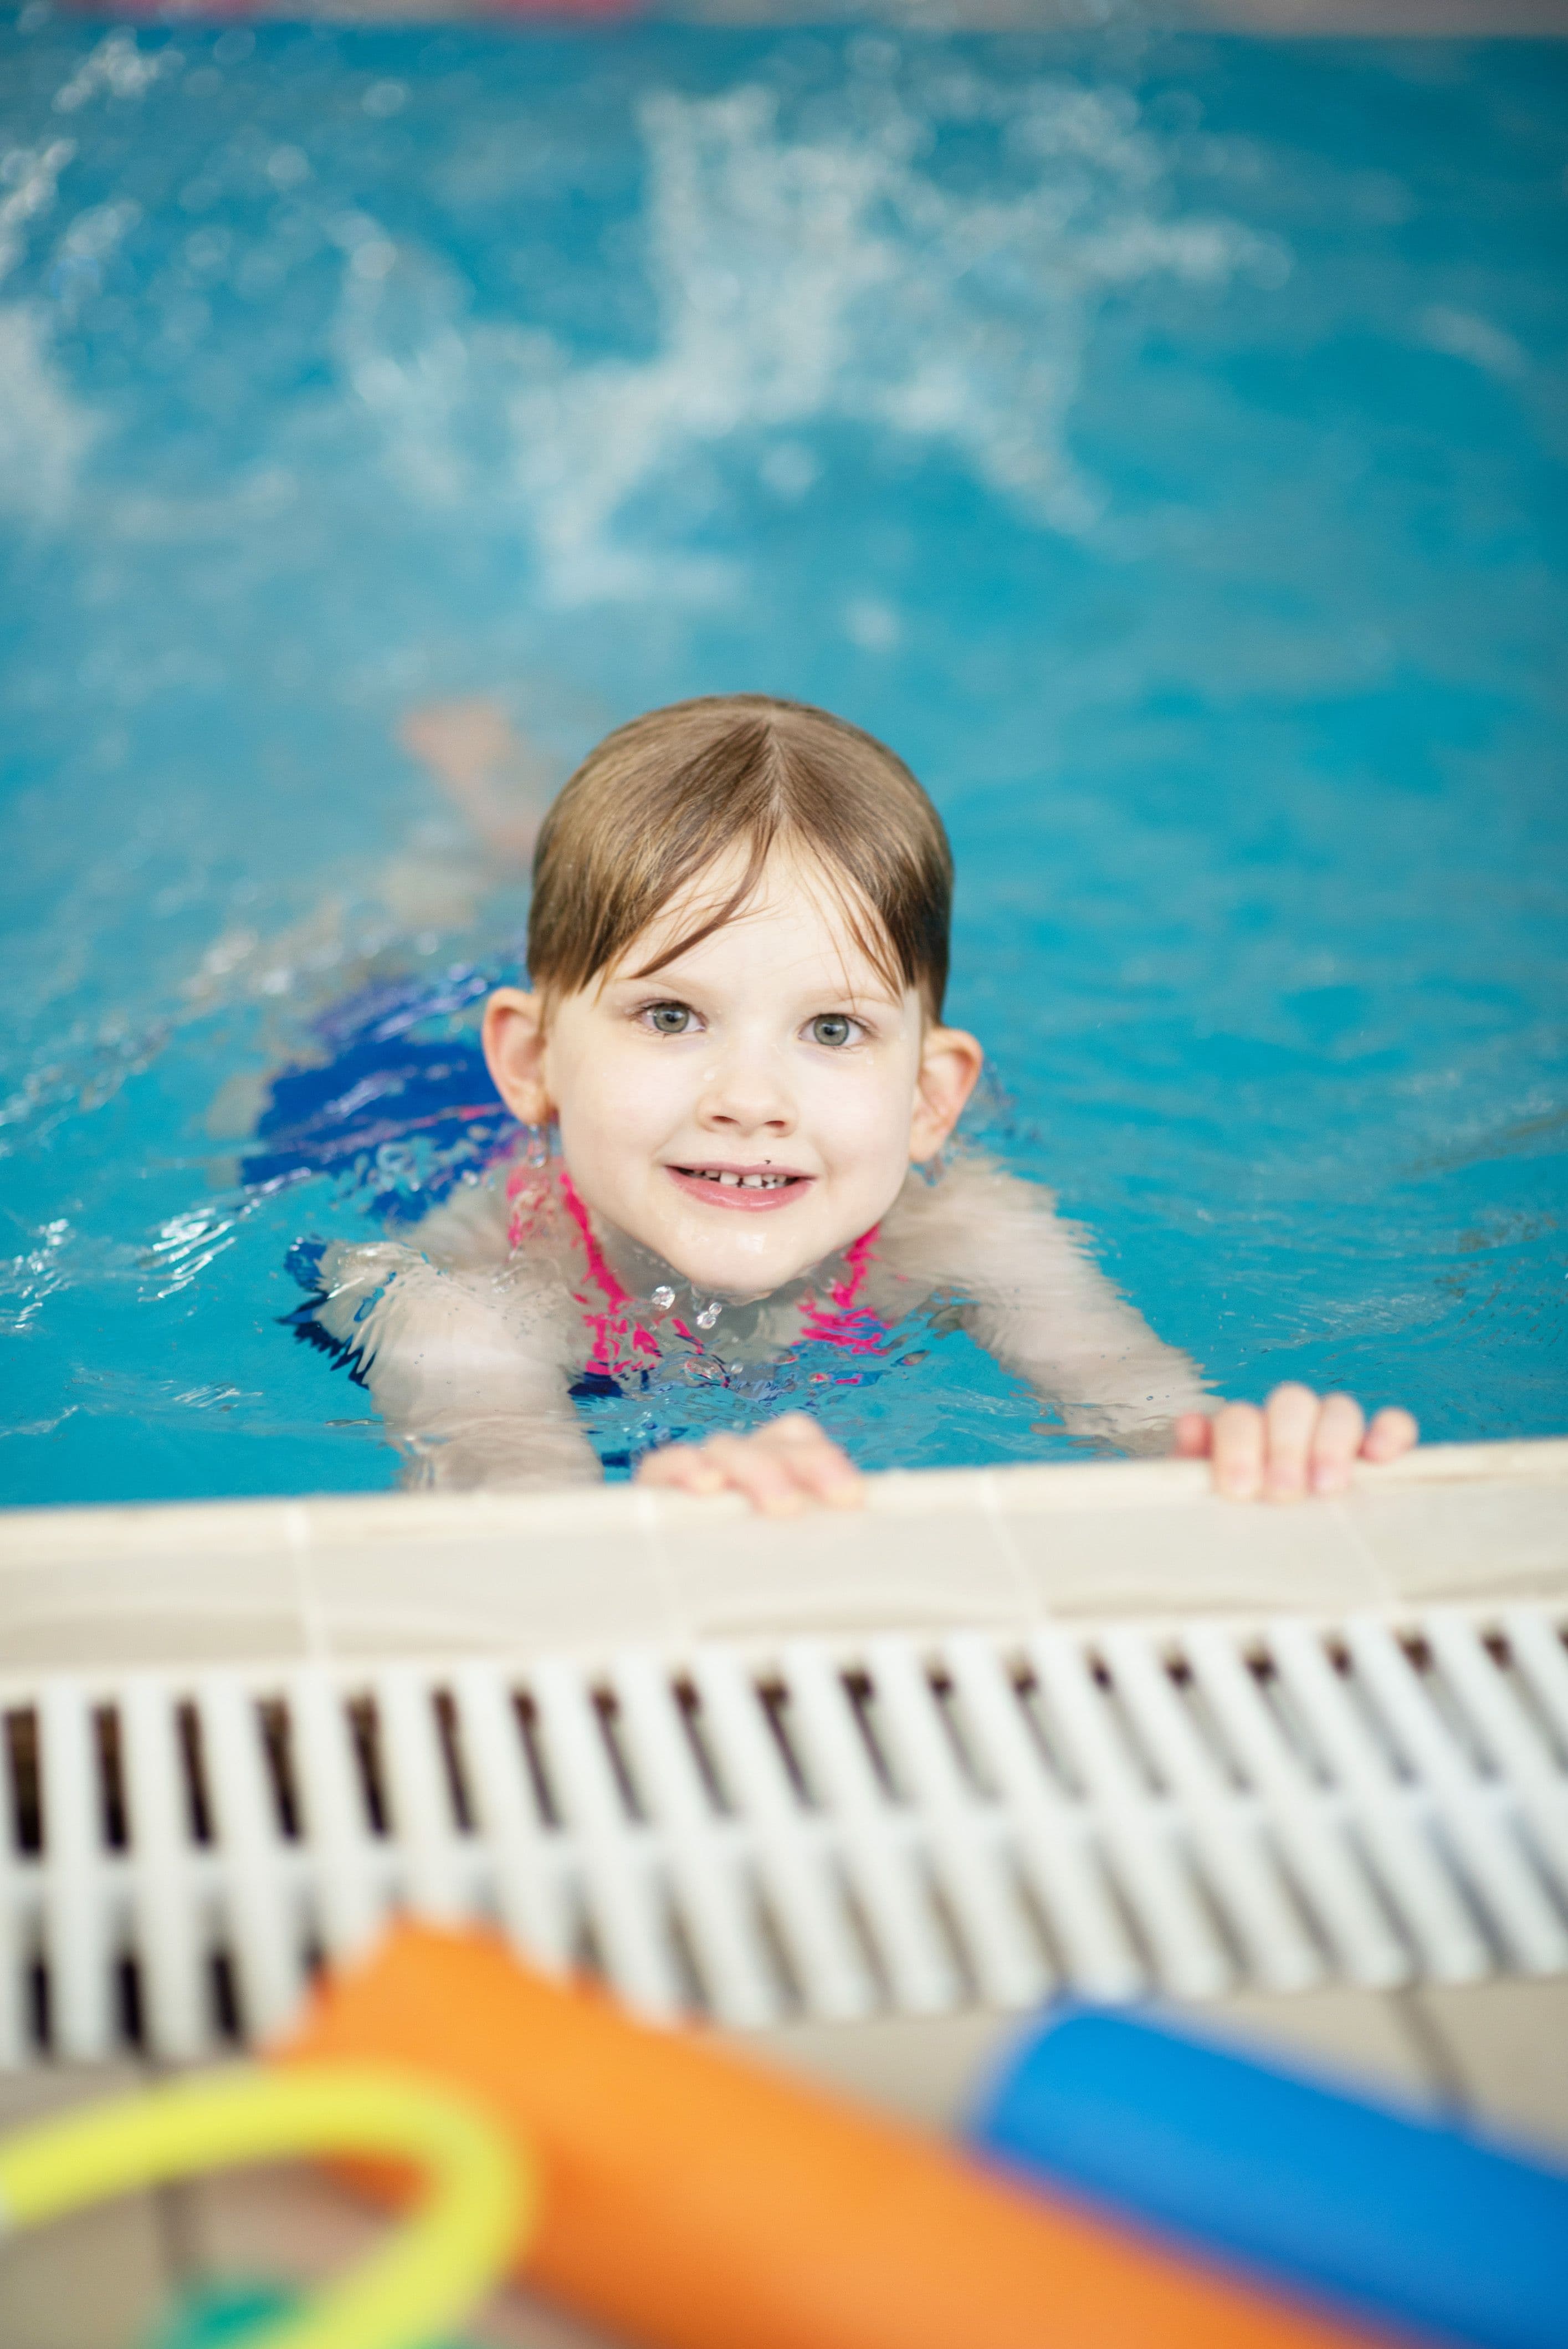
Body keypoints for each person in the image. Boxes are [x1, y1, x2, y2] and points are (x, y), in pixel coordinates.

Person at [305, 693, 1417, 1513]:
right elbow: (515, 1524)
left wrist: (1245, 1458)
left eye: (831, 1030)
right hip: (387, 1090)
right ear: (535, 1059)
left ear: (931, 1099)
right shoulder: (462, 1301)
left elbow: (1145, 1418)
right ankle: (475, 796)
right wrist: (646, 1532)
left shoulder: (966, 1225)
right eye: (670, 1016)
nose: (749, 1099)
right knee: (380, 945)